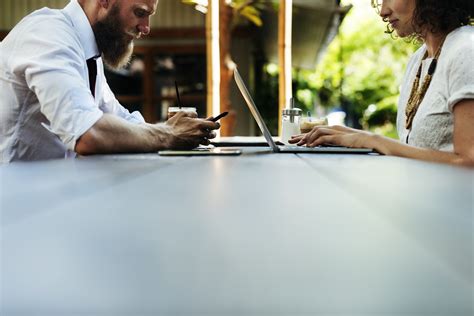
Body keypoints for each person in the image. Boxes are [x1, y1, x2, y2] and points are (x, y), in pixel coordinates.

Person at [0, 0, 219, 162]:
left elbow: (119, 118)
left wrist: (179, 129)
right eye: (140, 13)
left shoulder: (87, 52)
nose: (146, 28)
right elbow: (88, 134)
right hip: (16, 208)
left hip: (50, 198)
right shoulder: (48, 34)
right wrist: (169, 134)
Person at [290, 0, 474, 166]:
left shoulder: (466, 49)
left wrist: (374, 141)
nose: (383, 11)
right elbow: (417, 150)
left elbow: (469, 161)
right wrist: (355, 136)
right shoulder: (418, 59)